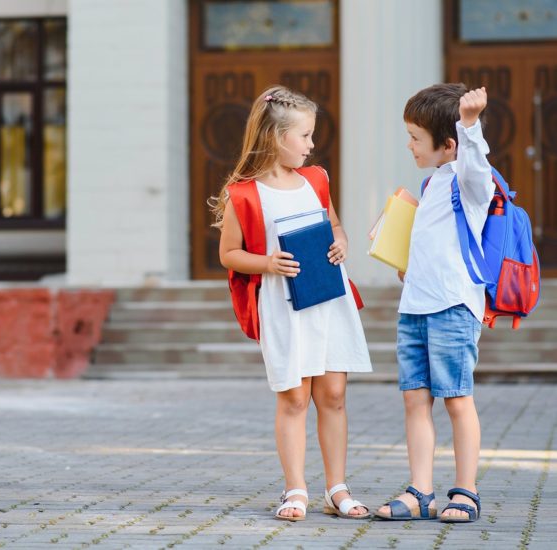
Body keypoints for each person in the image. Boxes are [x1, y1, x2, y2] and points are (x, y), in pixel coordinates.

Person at [210, 85, 372, 521]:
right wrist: (266, 262)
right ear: (276, 137)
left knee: (334, 394)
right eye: (305, 135)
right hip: (283, 303)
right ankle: (295, 488)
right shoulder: (243, 194)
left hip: (327, 296)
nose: (312, 144)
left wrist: (340, 241)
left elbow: (334, 224)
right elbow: (229, 254)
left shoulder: (316, 179)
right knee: (295, 398)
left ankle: (337, 488)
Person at [375, 84, 493, 523]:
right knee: (414, 399)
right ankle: (420, 491)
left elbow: (476, 167)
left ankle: (465, 491)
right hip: (415, 307)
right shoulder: (431, 185)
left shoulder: (469, 180)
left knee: (457, 399)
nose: (409, 145)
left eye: (415, 138)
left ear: (447, 145)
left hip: (451, 308)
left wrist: (469, 125)